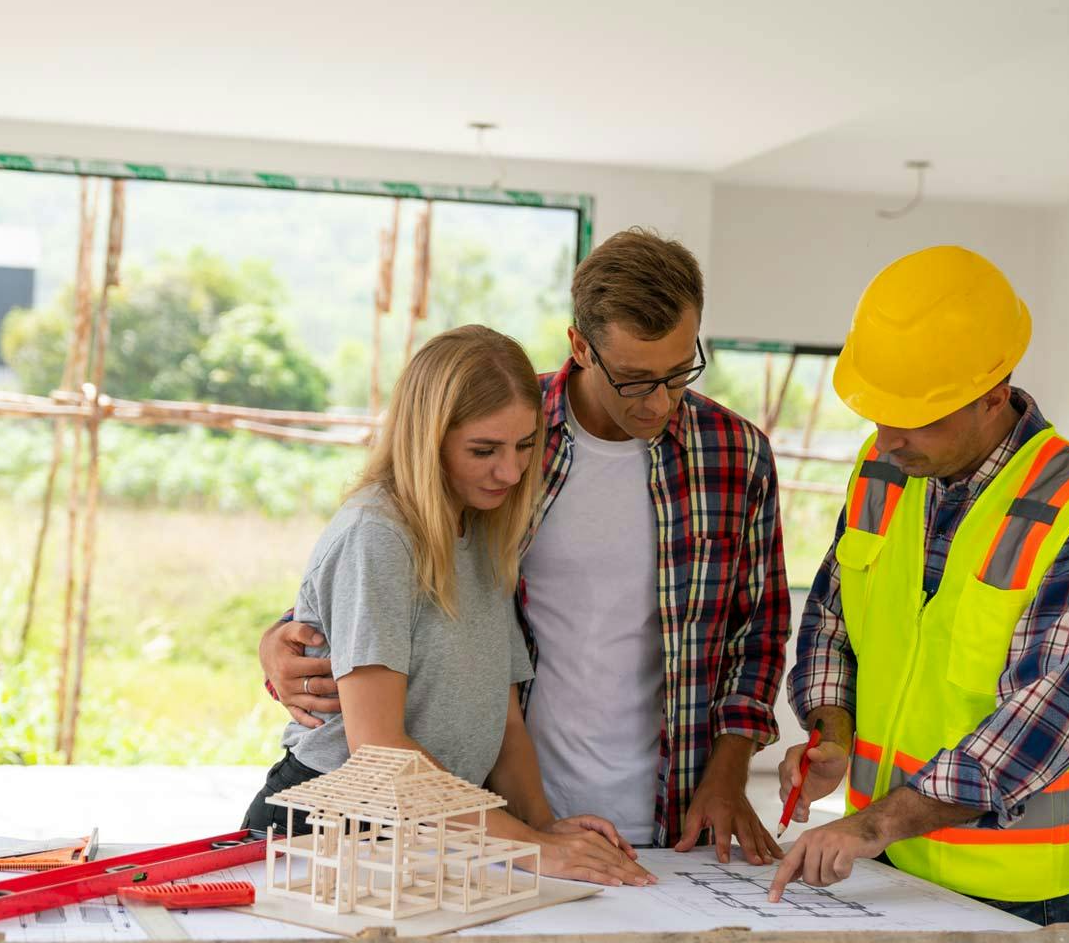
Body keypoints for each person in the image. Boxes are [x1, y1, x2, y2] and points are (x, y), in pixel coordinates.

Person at [262, 229, 790, 862]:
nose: (659, 402)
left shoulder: (733, 455)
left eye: (678, 374)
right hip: (462, 814)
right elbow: (369, 581)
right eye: (633, 379)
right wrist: (285, 636)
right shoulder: (512, 421)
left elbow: (757, 632)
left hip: (650, 808)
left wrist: (728, 772)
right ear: (581, 346)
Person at [769, 246, 1069, 927]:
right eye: (878, 412)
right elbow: (834, 620)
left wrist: (869, 827)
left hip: (1013, 891)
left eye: (914, 415)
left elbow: (1039, 723)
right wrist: (830, 733)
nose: (887, 437)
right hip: (885, 866)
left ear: (994, 394)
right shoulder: (884, 467)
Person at [243, 324, 653, 888]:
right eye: (484, 450)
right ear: (426, 440)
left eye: (525, 446)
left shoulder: (482, 529)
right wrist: (526, 843)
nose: (510, 472)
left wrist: (542, 825)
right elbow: (379, 750)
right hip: (332, 826)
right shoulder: (378, 535)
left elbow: (504, 719)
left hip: (439, 826)